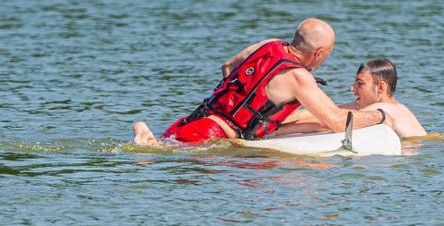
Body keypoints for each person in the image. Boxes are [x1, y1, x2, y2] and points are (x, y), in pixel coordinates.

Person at [132, 18, 389, 146]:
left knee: (163, 147)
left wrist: (238, 109)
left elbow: (228, 67)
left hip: (192, 121)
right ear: (319, 52)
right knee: (163, 157)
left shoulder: (269, 45)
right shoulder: (299, 76)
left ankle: (146, 134)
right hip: (211, 135)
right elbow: (334, 121)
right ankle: (145, 139)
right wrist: (380, 115)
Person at [271, 58, 426, 138]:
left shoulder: (388, 109)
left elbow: (328, 122)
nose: (352, 88)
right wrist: (275, 120)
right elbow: (326, 112)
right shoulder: (368, 107)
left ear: (380, 87)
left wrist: (275, 131)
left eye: (360, 84)